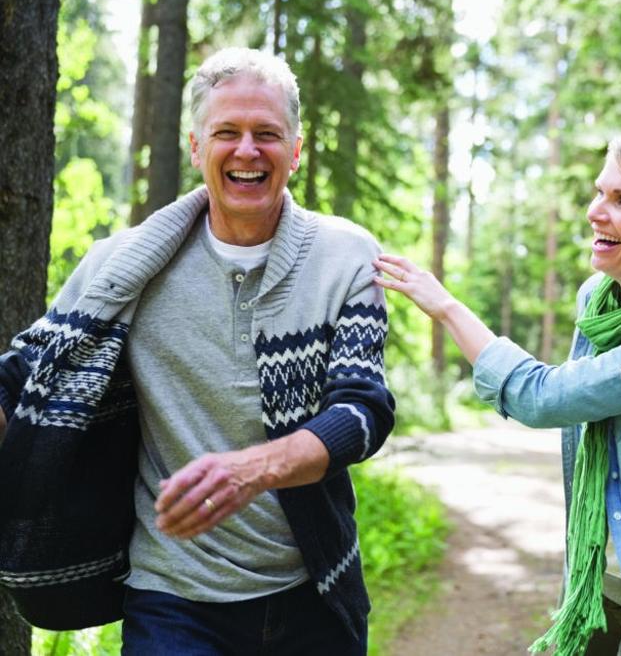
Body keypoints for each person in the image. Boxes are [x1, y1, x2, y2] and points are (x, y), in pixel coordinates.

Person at [0, 48, 394, 654]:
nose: (246, 151)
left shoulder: (346, 257)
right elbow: (24, 382)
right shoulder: (122, 267)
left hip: (312, 590)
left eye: (267, 134)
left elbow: (363, 410)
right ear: (194, 147)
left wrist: (251, 469)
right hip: (171, 598)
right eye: (226, 133)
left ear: (295, 149)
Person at [375, 129, 621, 655]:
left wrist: (445, 307)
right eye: (601, 192)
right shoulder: (599, 300)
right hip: (594, 581)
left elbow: (543, 396)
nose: (596, 211)